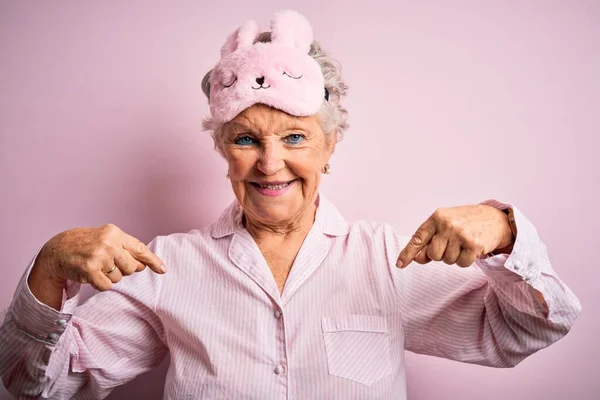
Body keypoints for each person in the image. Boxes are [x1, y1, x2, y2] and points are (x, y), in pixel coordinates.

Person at [0, 10, 581, 400]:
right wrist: (50, 266)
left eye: (295, 138)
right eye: (246, 139)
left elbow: (530, 329)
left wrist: (505, 230)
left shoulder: (386, 258)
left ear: (331, 145)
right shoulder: (166, 268)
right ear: (223, 150)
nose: (270, 163)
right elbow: (32, 386)